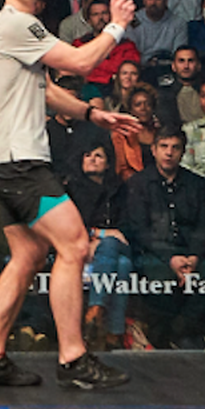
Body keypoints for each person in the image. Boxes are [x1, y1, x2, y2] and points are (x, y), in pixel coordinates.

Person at [0, 0, 138, 391]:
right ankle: (73, 358)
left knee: (28, 255)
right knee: (76, 245)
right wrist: (117, 26)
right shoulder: (16, 24)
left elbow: (43, 89)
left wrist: (91, 114)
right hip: (20, 163)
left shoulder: (19, 29)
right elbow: (82, 61)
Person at [122, 127, 205, 350]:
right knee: (159, 277)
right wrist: (171, 258)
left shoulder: (197, 183)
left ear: (183, 152)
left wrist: (194, 256)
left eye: (175, 148)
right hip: (155, 253)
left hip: (192, 251)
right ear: (154, 150)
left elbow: (204, 225)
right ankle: (166, 335)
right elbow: (139, 230)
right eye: (164, 147)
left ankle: (179, 331)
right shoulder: (138, 183)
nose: (169, 152)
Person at [69, 144, 134, 353]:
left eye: (98, 156)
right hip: (83, 246)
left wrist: (102, 239)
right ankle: (113, 334)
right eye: (87, 154)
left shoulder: (120, 189)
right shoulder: (72, 189)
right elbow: (68, 225)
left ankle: (95, 308)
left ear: (108, 164)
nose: (92, 159)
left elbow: (127, 227)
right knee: (122, 266)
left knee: (111, 246)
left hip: (117, 245)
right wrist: (97, 235)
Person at [128, 0, 189, 65]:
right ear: (144, 0)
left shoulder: (178, 23)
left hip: (169, 67)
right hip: (139, 68)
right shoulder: (132, 20)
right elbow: (130, 52)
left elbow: (180, 55)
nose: (153, 2)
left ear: (166, 0)